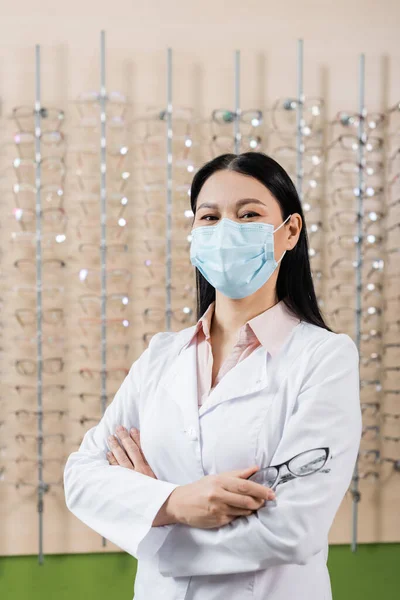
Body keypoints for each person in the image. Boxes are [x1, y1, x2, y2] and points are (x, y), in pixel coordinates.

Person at [64, 152, 362, 600]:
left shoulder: (323, 358)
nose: (226, 231)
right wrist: (176, 503)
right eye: (210, 217)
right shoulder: (162, 356)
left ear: (290, 233)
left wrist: (153, 525)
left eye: (248, 215)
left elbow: (293, 531)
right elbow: (82, 478)